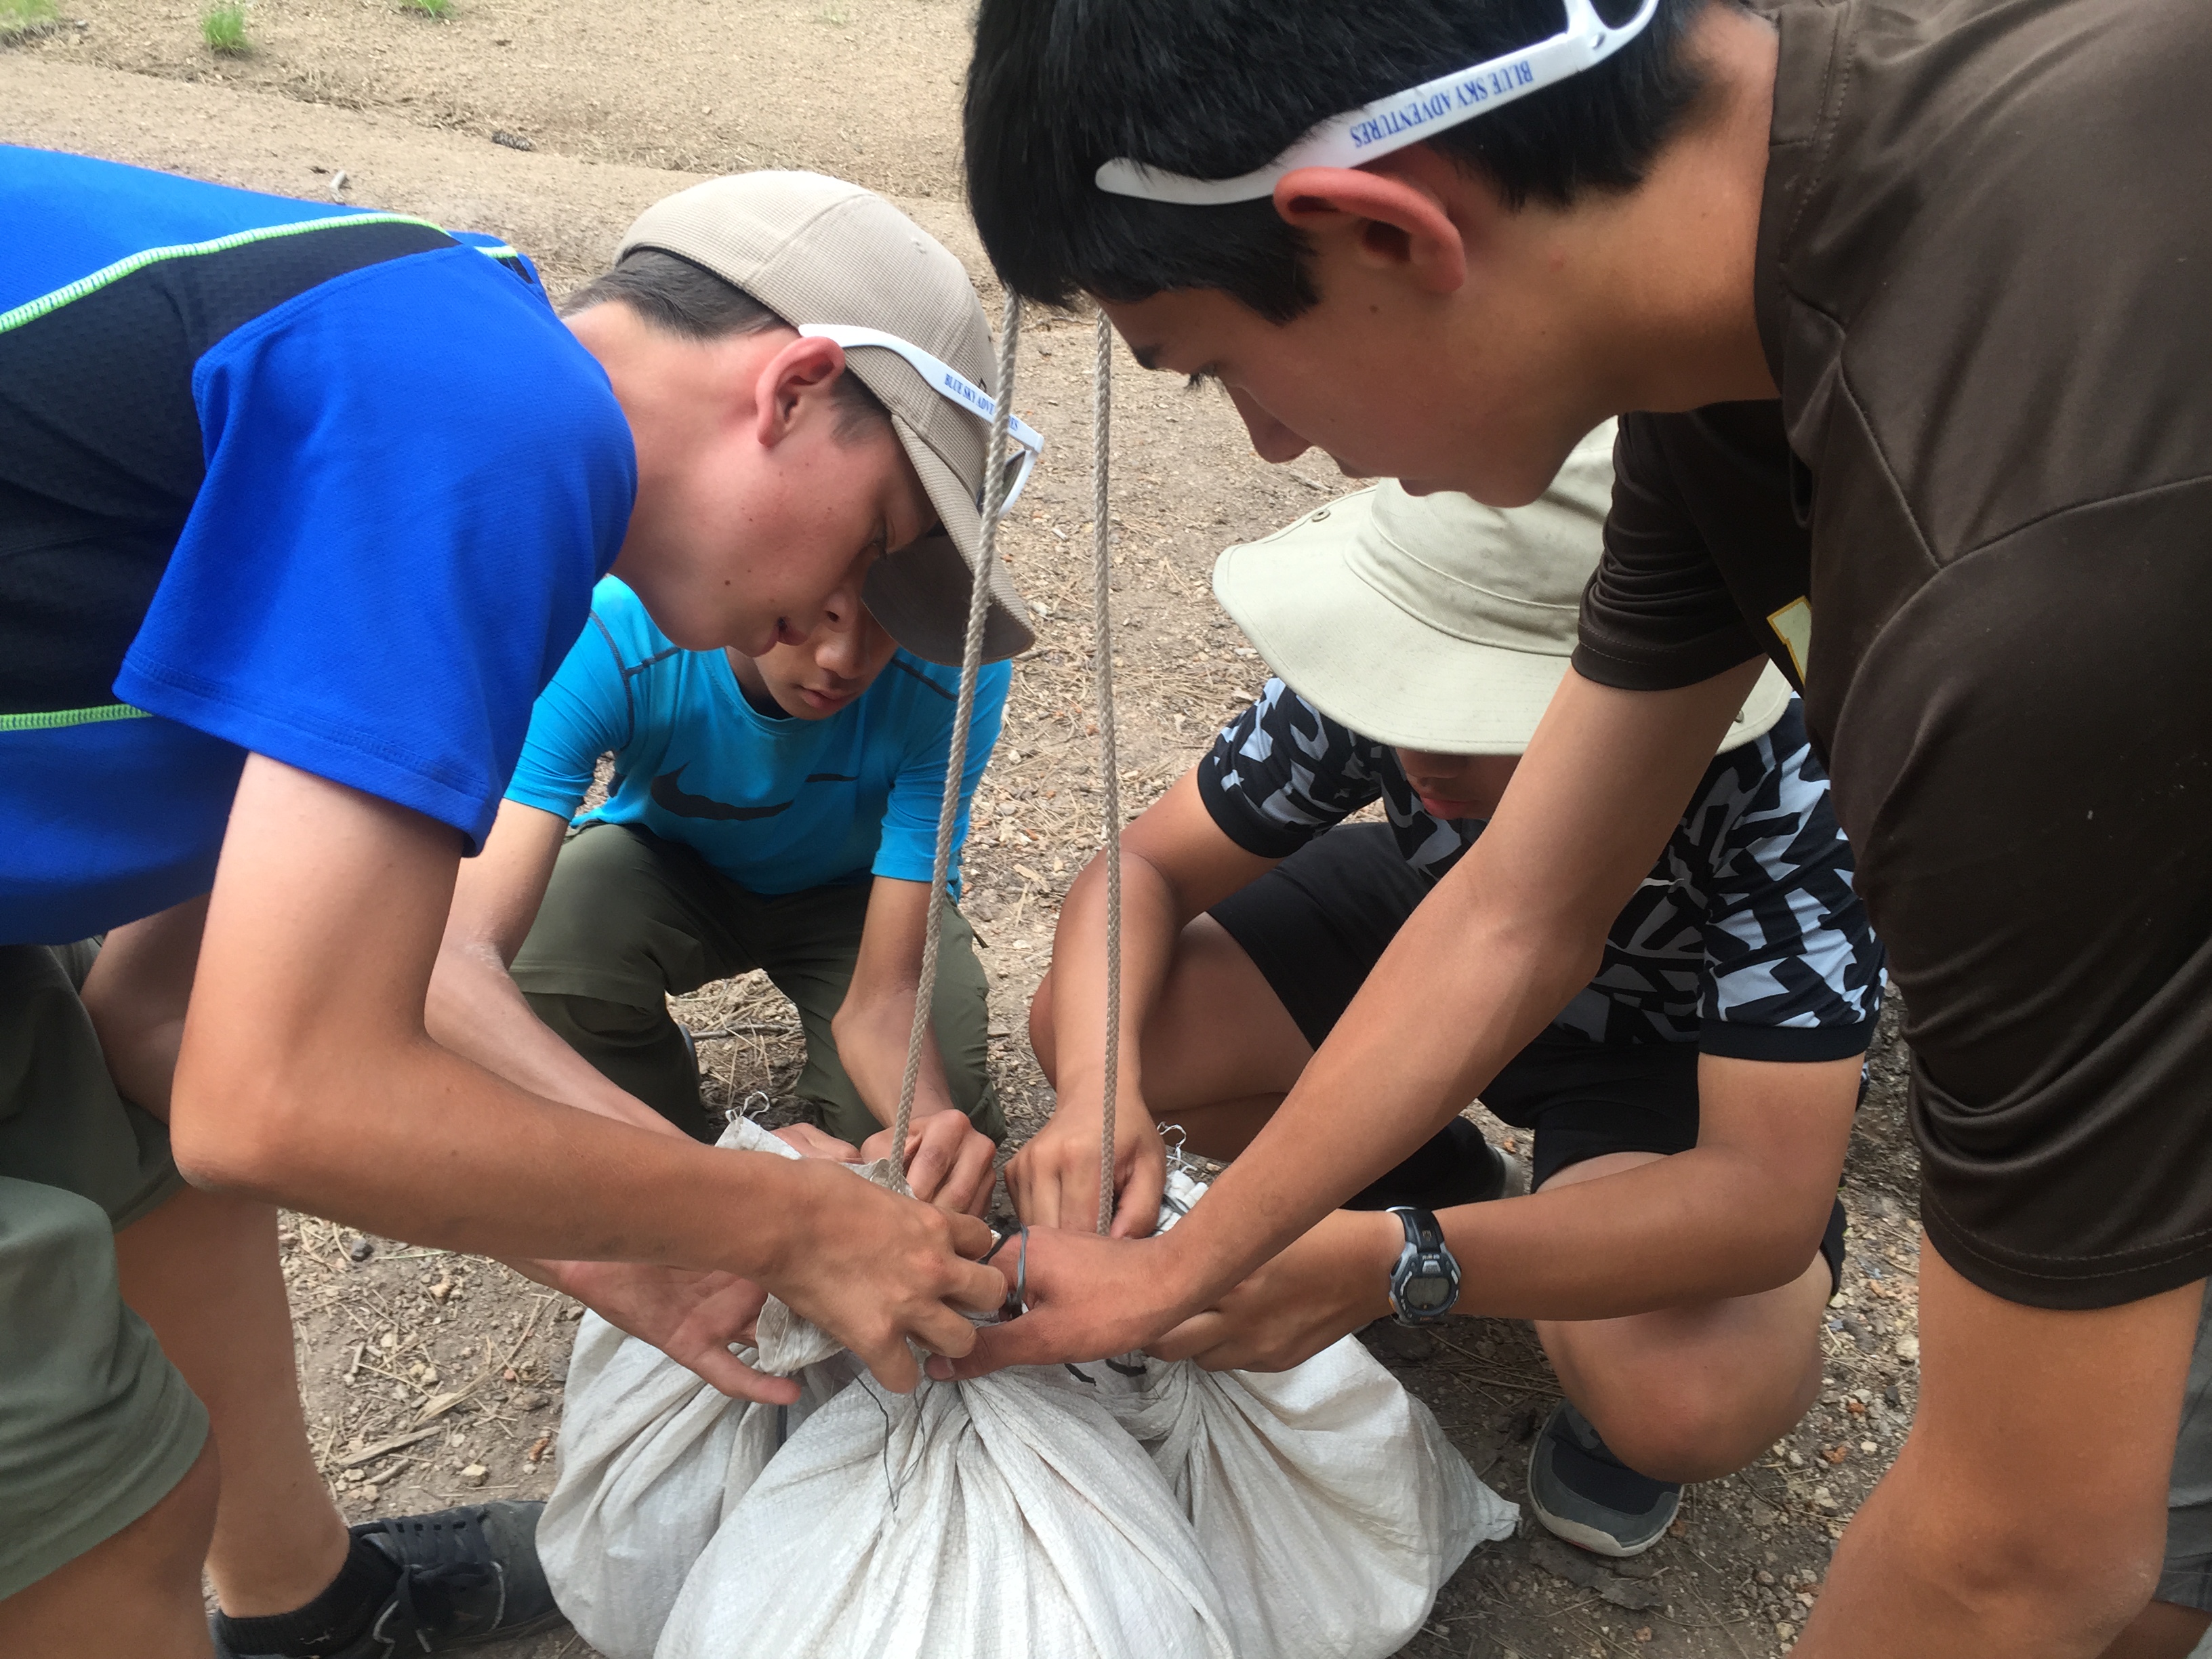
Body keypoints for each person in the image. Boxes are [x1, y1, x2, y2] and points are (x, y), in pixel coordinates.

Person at [954, 3, 2212, 1654]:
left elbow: (2017, 1554)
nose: (1275, 442)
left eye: (1221, 368)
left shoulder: (2004, 614)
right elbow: (1518, 910)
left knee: (2126, 1572)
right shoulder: (1738, 311)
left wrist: (1389, 1258)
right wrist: (1209, 1263)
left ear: (1386, 232)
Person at [0, 153, 1027, 1659]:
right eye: (874, 539)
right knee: (92, 1494)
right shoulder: (496, 420)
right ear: (794, 390)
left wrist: (639, 1239)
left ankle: (309, 1612)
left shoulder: (439, 388)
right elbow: (273, 1094)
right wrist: (786, 1217)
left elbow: (160, 1019)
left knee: (136, 1163)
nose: (843, 611)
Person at [1015, 428, 1875, 1555]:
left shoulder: (1799, 778)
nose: (1422, 752)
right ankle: (1442, 1179)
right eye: (1409, 685)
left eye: (1480, 710)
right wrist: (1094, 1090)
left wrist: (1396, 1263)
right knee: (1114, 1025)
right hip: (1435, 921)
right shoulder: (1373, 696)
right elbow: (1142, 869)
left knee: (1686, 1396)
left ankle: (1517, 1249)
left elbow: (1763, 1198)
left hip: (1670, 1041)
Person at [429, 559, 1009, 1216]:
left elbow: (887, 995)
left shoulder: (955, 664)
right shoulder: (616, 630)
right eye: (821, 610)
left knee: (919, 1146)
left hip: (858, 896)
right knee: (546, 948)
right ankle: (644, 1084)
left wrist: (929, 1123)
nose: (843, 660)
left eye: (885, 618)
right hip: (670, 865)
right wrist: (710, 1174)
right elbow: (461, 956)